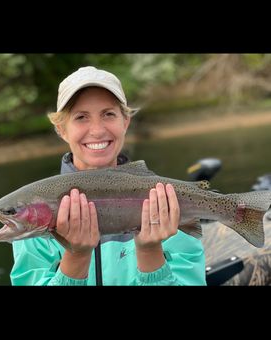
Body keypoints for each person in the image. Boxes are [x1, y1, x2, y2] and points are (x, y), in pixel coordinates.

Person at [10, 66, 206, 285]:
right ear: (61, 129)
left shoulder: (166, 204)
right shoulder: (35, 221)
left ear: (126, 122)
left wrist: (150, 252)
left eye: (108, 114)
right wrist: (76, 257)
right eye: (81, 117)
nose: (97, 130)